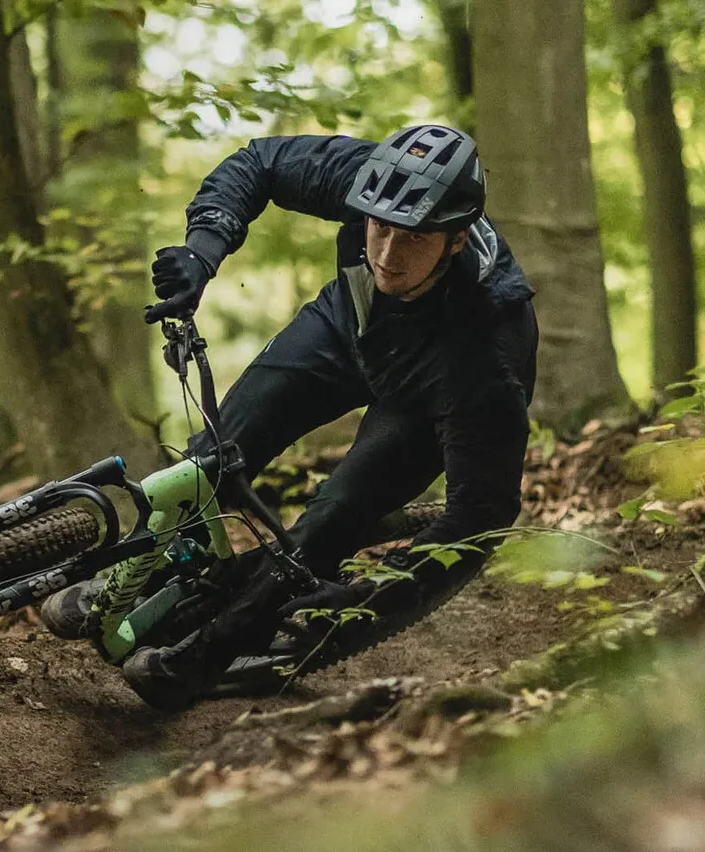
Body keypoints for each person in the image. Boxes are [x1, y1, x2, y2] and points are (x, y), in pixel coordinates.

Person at [40, 124, 538, 710]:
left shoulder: (489, 352)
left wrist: (373, 597)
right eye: (378, 228)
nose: (386, 254)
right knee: (212, 458)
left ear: (455, 241)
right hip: (348, 326)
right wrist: (202, 254)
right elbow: (262, 164)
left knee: (330, 520)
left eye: (413, 240)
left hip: (426, 391)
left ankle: (209, 654)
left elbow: (482, 514)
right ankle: (135, 577)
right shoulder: (369, 180)